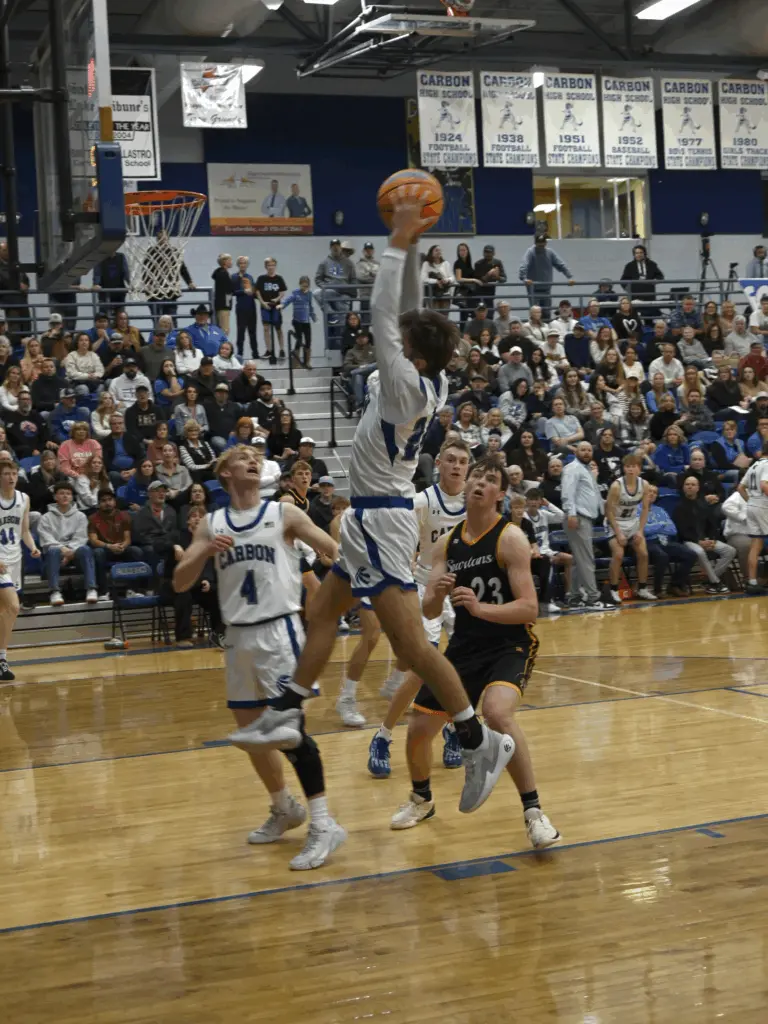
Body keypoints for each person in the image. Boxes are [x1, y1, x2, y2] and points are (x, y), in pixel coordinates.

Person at [232, 198, 516, 816]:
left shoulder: (405, 386)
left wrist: (396, 241)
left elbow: (384, 310)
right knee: (322, 611)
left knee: (414, 648)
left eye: (403, 342)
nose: (392, 340)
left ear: (413, 355)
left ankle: (476, 739)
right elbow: (406, 314)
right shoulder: (428, 375)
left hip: (385, 519)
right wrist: (410, 250)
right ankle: (289, 709)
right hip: (365, 518)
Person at [174, 444, 345, 869]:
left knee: (289, 732)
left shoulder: (284, 514)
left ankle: (324, 823)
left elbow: (333, 550)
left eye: (256, 457)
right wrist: (203, 552)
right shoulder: (211, 524)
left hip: (278, 631)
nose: (252, 461)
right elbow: (180, 583)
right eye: (242, 458)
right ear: (224, 473)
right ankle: (284, 807)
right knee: (252, 734)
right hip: (236, 636)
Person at [387, 454, 559, 846]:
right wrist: (437, 593)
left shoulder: (510, 538)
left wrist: (481, 609)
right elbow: (430, 610)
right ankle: (421, 800)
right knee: (418, 728)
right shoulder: (447, 543)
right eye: (476, 476)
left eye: (491, 479)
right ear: (466, 485)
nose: (480, 482)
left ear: (500, 494)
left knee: (497, 714)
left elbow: (530, 609)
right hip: (464, 647)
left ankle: (534, 813)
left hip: (508, 644)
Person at [368, 440, 470, 777]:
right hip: (426, 586)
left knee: (466, 665)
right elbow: (397, 538)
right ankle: (383, 736)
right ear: (439, 464)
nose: (456, 466)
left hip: (462, 589)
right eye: (451, 460)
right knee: (422, 669)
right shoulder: (423, 501)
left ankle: (454, 729)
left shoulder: (474, 501)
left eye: (462, 461)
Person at [0, 462, 39, 678]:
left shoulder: (24, 499)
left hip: (15, 561)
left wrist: (32, 547)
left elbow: (24, 530)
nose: (11, 477)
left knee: (3, 612)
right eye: (6, 474)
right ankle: (2, 660)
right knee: (14, 606)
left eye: (14, 473)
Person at [561, 440, 611, 611]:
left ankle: (574, 597)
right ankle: (593, 598)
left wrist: (604, 508)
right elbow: (567, 493)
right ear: (576, 452)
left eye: (589, 450)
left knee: (578, 560)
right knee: (587, 559)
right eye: (583, 450)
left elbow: (592, 494)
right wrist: (571, 514)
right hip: (578, 518)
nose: (586, 453)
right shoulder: (572, 468)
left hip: (586, 518)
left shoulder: (587, 469)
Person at [604, 455, 656, 604]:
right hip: (615, 522)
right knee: (618, 554)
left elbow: (645, 509)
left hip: (632, 522)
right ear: (624, 468)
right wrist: (619, 533)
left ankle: (642, 588)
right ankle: (613, 590)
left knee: (643, 554)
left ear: (639, 468)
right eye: (628, 466)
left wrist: (640, 531)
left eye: (634, 466)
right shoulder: (616, 486)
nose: (631, 469)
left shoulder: (644, 484)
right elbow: (608, 511)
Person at [38, 481, 98, 606]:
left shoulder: (80, 516)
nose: (65, 496)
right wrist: (62, 549)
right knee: (53, 550)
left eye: (68, 494)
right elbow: (46, 539)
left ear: (72, 497)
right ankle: (55, 592)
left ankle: (91, 589)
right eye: (61, 493)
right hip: (54, 556)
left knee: (86, 549)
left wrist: (70, 551)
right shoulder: (46, 517)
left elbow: (81, 537)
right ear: (55, 497)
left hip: (75, 554)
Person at [673, 475, 736, 594]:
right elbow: (681, 531)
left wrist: (711, 539)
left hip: (705, 539)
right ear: (683, 488)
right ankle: (715, 583)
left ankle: (710, 580)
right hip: (688, 541)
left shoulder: (703, 505)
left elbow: (711, 525)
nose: (690, 487)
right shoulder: (679, 507)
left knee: (730, 551)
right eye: (687, 484)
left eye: (693, 485)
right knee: (700, 551)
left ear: (698, 488)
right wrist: (698, 542)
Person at [642, 483, 698, 597]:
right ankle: (657, 590)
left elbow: (673, 530)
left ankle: (674, 584)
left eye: (655, 492)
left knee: (691, 555)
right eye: (649, 491)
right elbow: (643, 530)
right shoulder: (637, 510)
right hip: (647, 542)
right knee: (662, 556)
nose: (652, 494)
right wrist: (661, 525)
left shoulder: (660, 510)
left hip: (665, 541)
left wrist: (654, 527)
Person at [88, 488, 144, 593]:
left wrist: (123, 546)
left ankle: (133, 590)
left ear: (114, 501)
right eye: (103, 501)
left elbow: (127, 538)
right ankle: (103, 591)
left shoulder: (124, 515)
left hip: (121, 548)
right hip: (105, 549)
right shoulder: (93, 518)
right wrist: (109, 546)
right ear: (99, 504)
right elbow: (93, 540)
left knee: (136, 551)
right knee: (98, 553)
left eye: (110, 499)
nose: (107, 503)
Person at [737, 440, 768, 595]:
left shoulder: (753, 466)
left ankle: (752, 582)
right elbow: (764, 485)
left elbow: (740, 488)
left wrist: (751, 502)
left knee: (756, 545)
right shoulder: (767, 465)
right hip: (763, 506)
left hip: (752, 506)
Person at [517, 235, 574, 320]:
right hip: (533, 289)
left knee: (547, 312)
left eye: (542, 245)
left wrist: (569, 277)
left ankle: (546, 326)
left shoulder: (549, 253)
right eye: (539, 245)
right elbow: (524, 265)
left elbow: (560, 264)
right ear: (535, 243)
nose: (541, 247)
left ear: (545, 243)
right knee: (535, 312)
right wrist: (524, 278)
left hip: (546, 288)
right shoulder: (530, 252)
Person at [315, 238, 357, 328]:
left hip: (344, 293)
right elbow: (318, 279)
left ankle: (342, 329)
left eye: (337, 246)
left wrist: (350, 291)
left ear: (340, 248)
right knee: (316, 293)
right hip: (330, 291)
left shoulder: (349, 263)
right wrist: (326, 286)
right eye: (333, 246)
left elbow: (353, 279)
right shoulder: (324, 263)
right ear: (330, 248)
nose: (335, 248)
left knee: (343, 320)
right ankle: (331, 313)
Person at [281, 276, 318, 369]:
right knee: (299, 339)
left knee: (308, 340)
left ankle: (307, 362)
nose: (304, 288)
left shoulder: (309, 294)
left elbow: (310, 306)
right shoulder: (296, 293)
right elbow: (288, 300)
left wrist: (313, 317)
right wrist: (282, 305)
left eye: (306, 286)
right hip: (297, 320)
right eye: (303, 286)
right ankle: (295, 362)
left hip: (306, 321)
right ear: (300, 284)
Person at [255, 258, 287, 363]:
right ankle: (269, 350)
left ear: (275, 266)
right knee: (266, 328)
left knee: (278, 328)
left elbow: (282, 292)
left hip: (276, 306)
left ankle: (281, 349)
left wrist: (276, 299)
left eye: (273, 265)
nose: (271, 267)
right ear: (266, 266)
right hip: (265, 305)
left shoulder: (279, 278)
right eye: (269, 265)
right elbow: (257, 292)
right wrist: (262, 303)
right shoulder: (261, 278)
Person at [342, 330, 377, 410]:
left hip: (372, 375)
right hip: (356, 379)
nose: (361, 339)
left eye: (363, 337)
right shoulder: (351, 352)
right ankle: (360, 405)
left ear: (367, 338)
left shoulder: (374, 349)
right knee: (358, 375)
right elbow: (346, 367)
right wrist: (360, 366)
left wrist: (367, 367)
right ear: (356, 339)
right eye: (359, 338)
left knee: (377, 364)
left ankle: (357, 372)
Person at [204, 382, 240, 453]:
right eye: (219, 392)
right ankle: (230, 454)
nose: (222, 394)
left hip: (233, 435)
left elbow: (240, 421)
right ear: (215, 394)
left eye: (224, 392)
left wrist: (235, 431)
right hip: (215, 436)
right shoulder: (207, 406)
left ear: (227, 395)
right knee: (221, 443)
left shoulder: (235, 406)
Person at [420, 244, 455, 311]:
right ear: (431, 253)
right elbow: (423, 278)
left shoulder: (446, 263)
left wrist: (447, 280)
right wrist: (436, 281)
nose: (439, 252)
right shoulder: (426, 264)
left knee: (444, 315)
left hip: (445, 293)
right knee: (435, 314)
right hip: (432, 294)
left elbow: (452, 277)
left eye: (440, 250)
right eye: (436, 250)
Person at [211, 253, 234, 335]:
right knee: (224, 330)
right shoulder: (223, 274)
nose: (231, 262)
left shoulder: (221, 273)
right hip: (223, 305)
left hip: (223, 304)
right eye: (230, 260)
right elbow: (229, 289)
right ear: (225, 262)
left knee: (223, 329)